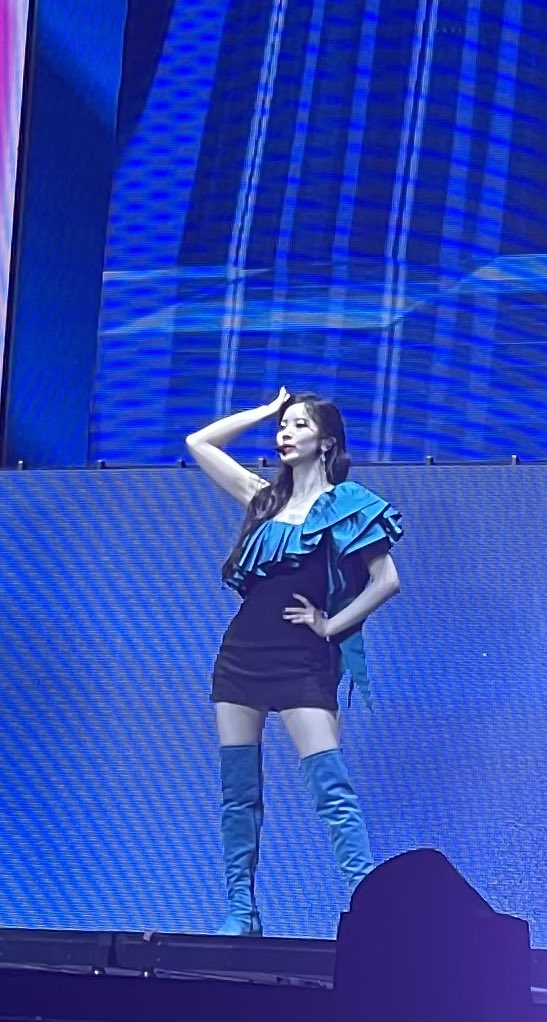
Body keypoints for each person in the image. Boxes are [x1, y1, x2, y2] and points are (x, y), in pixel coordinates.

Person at [186, 387, 404, 936]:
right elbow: (199, 443)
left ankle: (373, 908)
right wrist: (264, 410)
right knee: (239, 793)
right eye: (282, 426)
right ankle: (242, 911)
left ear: (326, 442)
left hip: (303, 659)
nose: (285, 432)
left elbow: (387, 580)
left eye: (299, 424)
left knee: (332, 789)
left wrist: (330, 625)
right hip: (242, 655)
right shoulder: (263, 499)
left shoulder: (348, 504)